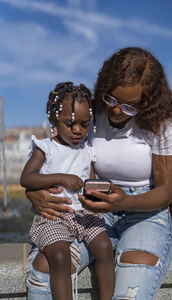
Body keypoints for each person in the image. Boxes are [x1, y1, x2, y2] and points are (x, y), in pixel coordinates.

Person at [25, 47, 172, 300]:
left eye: (129, 106)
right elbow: (58, 159)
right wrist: (33, 192)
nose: (115, 111)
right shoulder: (90, 114)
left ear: (147, 101)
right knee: (43, 271)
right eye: (111, 99)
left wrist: (125, 201)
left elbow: (166, 191)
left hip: (146, 214)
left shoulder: (162, 125)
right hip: (93, 209)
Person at [21, 82, 115, 300]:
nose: (77, 130)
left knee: (104, 246)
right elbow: (26, 178)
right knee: (60, 258)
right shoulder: (45, 148)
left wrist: (98, 192)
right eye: (69, 123)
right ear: (54, 119)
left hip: (84, 215)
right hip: (54, 217)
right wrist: (61, 178)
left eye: (84, 124)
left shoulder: (86, 150)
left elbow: (89, 181)